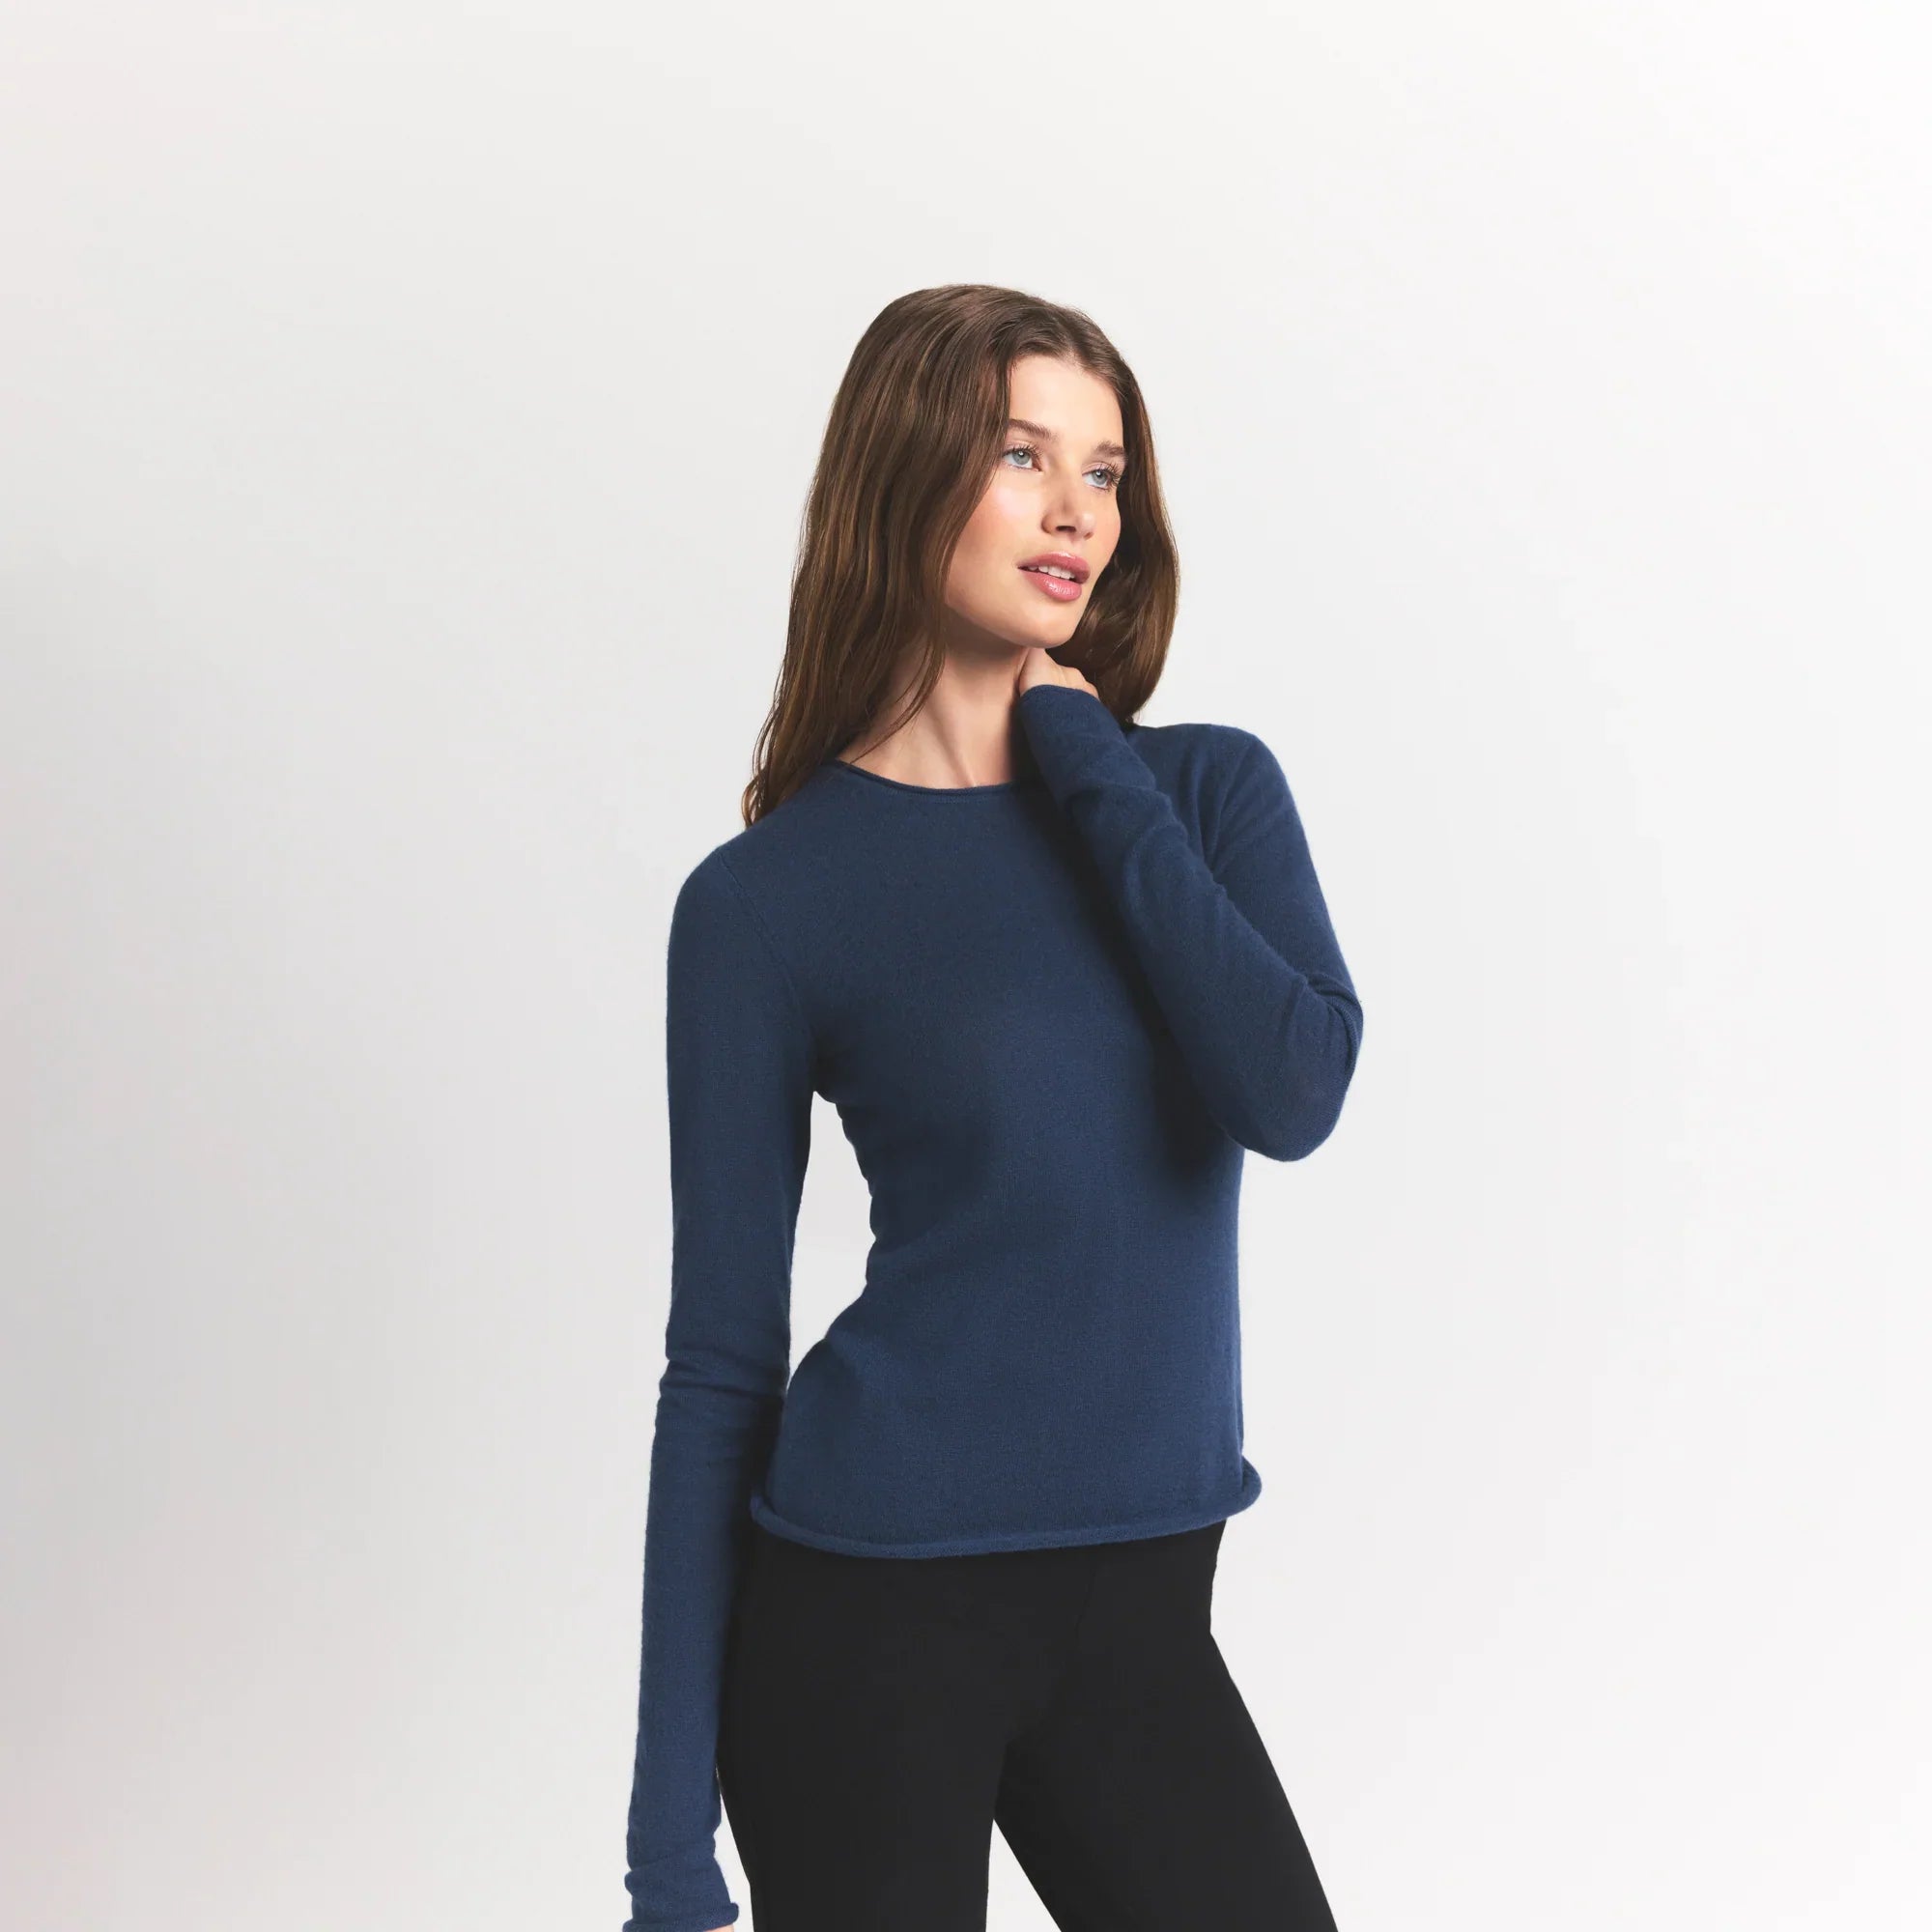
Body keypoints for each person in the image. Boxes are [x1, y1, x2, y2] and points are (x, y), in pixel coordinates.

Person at [622, 284, 1363, 1932]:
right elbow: (720, 1364)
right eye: (1023, 455)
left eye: (1104, 471)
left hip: (1142, 1616)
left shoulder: (1202, 793)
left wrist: (1087, 762)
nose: (1075, 510)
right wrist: (668, 1850)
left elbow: (1291, 1086)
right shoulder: (764, 902)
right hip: (864, 1622)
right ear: (906, 475)